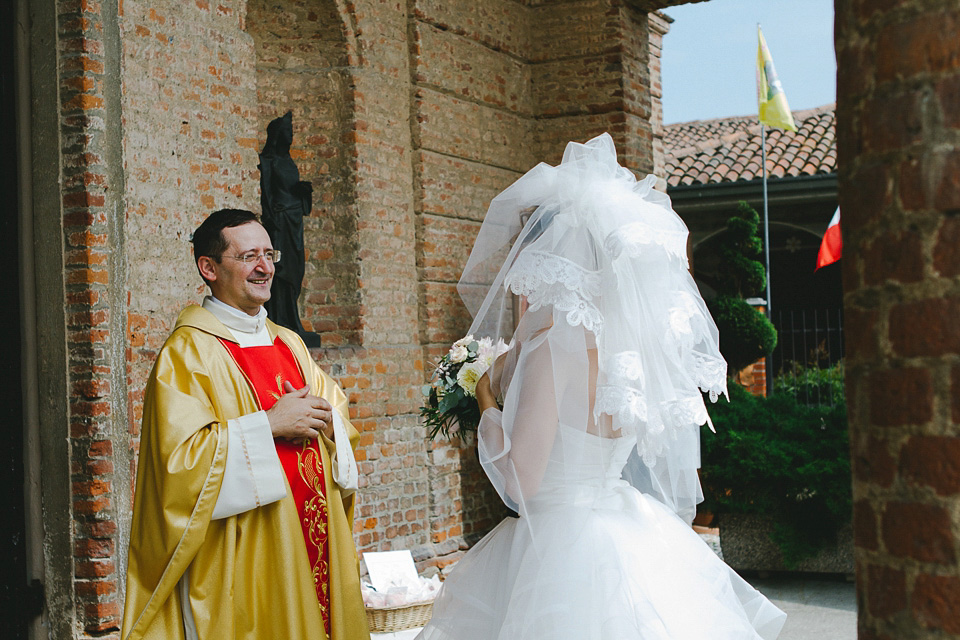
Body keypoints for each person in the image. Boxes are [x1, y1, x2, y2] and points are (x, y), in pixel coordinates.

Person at [417, 134, 787, 640]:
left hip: (560, 548)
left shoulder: (554, 349)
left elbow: (521, 481)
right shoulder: (628, 346)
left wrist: (485, 398)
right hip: (629, 525)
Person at [121, 209, 370, 640]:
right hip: (247, 554)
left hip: (312, 537)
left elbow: (335, 411)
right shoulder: (187, 354)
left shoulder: (287, 342)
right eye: (249, 256)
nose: (265, 267)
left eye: (269, 254)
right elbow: (178, 467)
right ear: (209, 268)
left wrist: (329, 424)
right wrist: (267, 425)